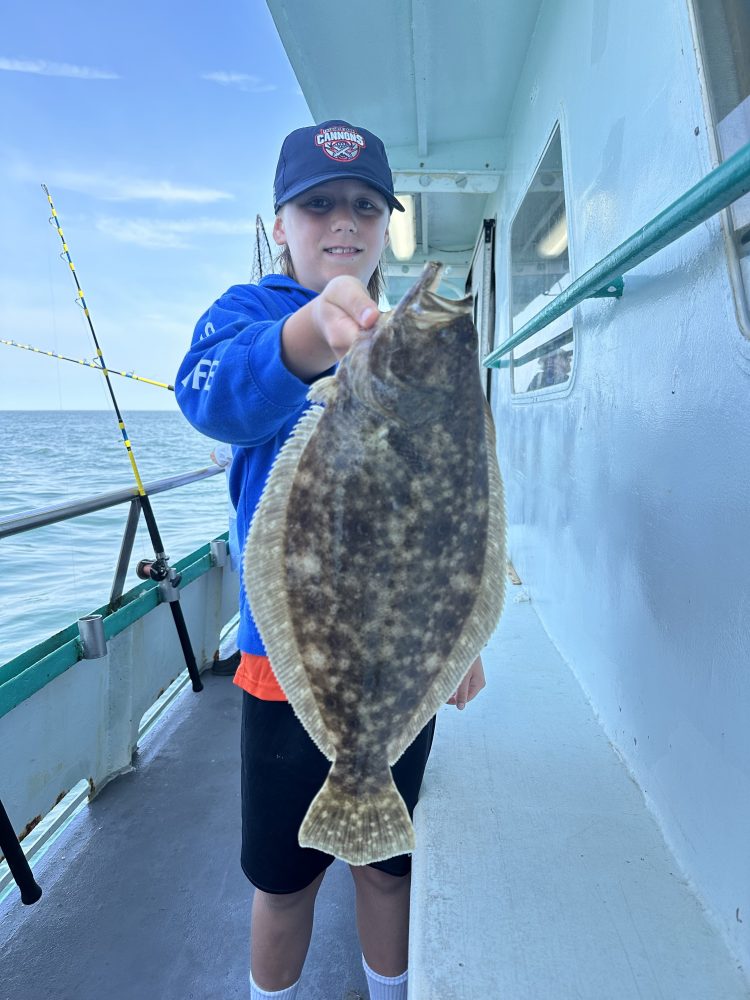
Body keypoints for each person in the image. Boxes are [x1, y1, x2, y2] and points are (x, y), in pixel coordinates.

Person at [175, 120, 486, 1000]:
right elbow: (211, 396)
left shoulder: (404, 338)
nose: (340, 221)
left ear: (386, 224)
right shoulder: (245, 318)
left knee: (389, 870)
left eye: (361, 205)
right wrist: (306, 338)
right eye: (317, 205)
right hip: (286, 666)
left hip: (399, 666)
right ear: (281, 223)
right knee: (283, 880)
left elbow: (451, 509)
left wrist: (461, 635)